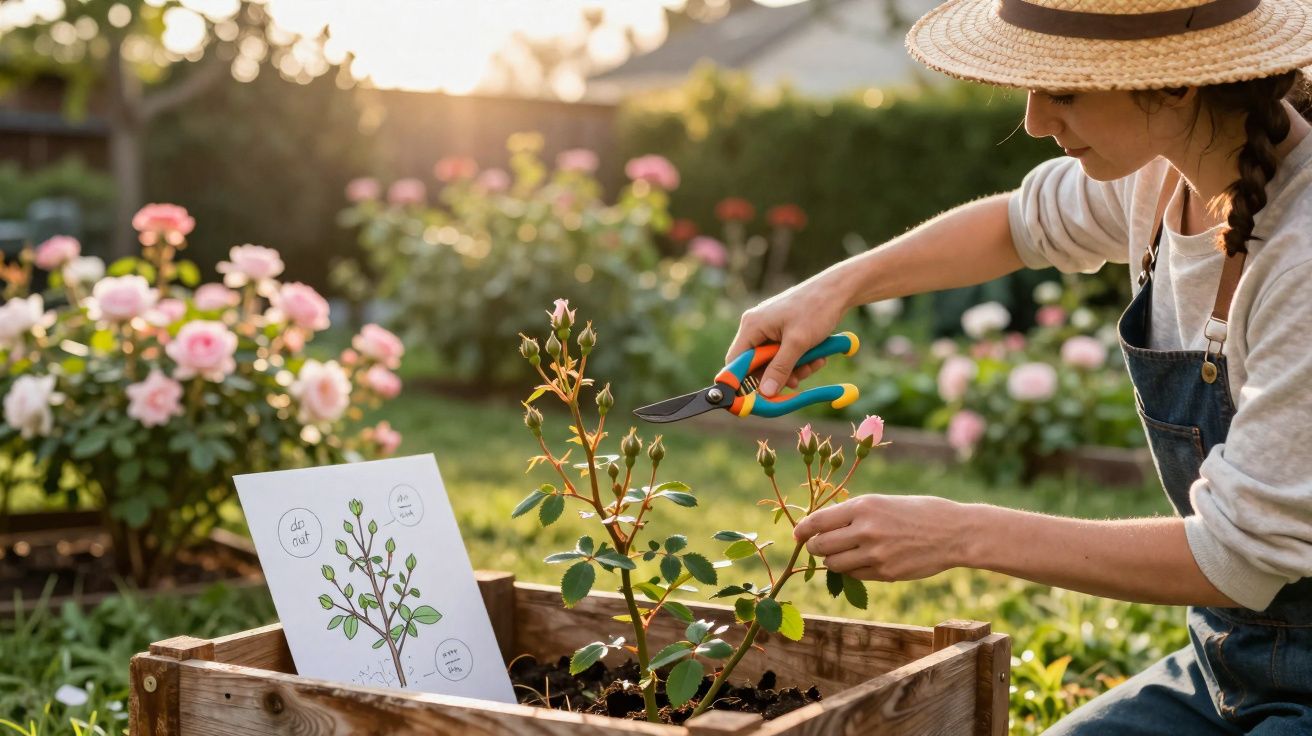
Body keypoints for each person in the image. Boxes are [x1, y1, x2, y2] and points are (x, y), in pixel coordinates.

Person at [726, 0, 1312, 731]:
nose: (1033, 119)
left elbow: (1235, 556)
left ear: (1177, 82)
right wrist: (833, 288)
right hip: (1226, 662)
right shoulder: (1166, 175)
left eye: (1062, 89)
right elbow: (1017, 223)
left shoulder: (1302, 254)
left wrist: (958, 533)